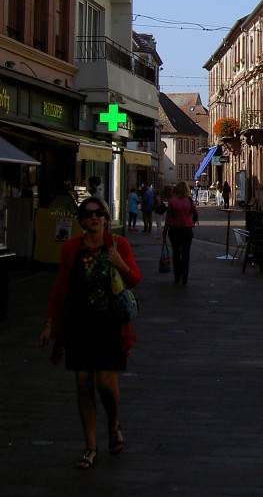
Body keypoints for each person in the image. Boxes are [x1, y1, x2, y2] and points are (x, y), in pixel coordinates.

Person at [37, 196, 141, 469]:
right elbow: (60, 288)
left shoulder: (119, 245)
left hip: (109, 324)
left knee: (105, 384)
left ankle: (114, 423)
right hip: (80, 324)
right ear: (82, 220)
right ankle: (90, 446)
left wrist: (120, 263)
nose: (94, 218)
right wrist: (50, 324)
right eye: (88, 214)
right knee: (83, 383)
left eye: (99, 214)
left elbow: (134, 279)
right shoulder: (72, 249)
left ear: (106, 219)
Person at [163, 180, 199, 285]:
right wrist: (191, 222)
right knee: (186, 253)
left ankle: (177, 276)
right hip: (187, 230)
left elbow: (168, 218)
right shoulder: (189, 201)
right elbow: (196, 214)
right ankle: (185, 277)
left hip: (174, 229)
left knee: (176, 253)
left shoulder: (172, 201)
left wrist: (165, 231)